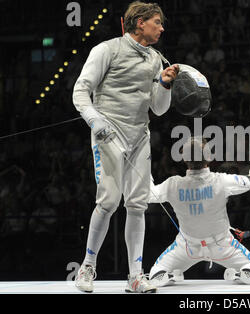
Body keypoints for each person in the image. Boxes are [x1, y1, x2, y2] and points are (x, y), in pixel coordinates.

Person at [72, 1, 179, 293]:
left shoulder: (156, 59)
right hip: (108, 134)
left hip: (138, 137)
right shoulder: (107, 50)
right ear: (140, 22)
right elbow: (80, 91)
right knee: (108, 201)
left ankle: (135, 275)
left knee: (137, 205)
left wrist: (165, 84)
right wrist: (95, 121)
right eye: (157, 21)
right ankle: (87, 267)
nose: (162, 27)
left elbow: (157, 109)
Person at [147, 134, 250, 286]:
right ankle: (237, 273)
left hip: (186, 247)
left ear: (184, 159)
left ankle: (170, 274)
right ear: (209, 158)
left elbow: (148, 195)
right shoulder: (221, 181)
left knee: (155, 273)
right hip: (223, 245)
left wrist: (143, 165)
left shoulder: (173, 184)